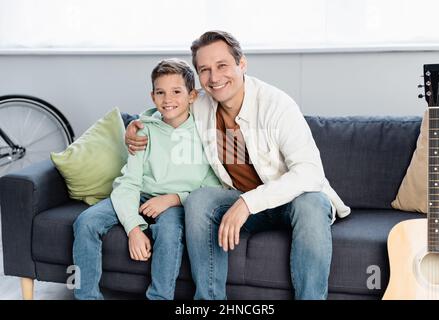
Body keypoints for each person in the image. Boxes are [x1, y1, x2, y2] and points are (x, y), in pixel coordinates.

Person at [126, 31, 350, 300]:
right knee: (198, 200)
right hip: (239, 198)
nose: (214, 78)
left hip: (290, 201)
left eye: (222, 66)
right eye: (205, 70)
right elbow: (170, 106)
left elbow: (309, 172)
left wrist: (248, 203)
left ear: (241, 64)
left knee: (313, 203)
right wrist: (137, 124)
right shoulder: (203, 104)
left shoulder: (276, 105)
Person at [72, 58, 221, 300]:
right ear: (152, 97)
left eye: (176, 91)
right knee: (85, 222)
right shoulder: (143, 130)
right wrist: (133, 229)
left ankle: (159, 297)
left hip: (180, 201)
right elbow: (130, 182)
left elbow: (213, 185)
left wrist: (174, 198)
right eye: (160, 92)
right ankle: (86, 296)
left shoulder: (206, 131)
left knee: (170, 231)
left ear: (192, 96)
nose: (168, 99)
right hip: (139, 193)